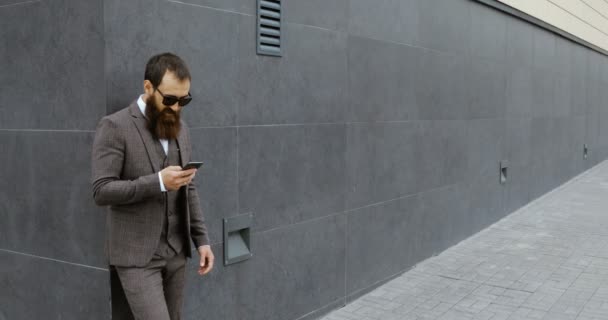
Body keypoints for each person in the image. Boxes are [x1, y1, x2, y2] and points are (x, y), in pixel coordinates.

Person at [91, 52, 214, 320]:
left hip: (176, 252)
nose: (176, 107)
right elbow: (101, 190)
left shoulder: (182, 129)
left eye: (184, 100)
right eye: (169, 99)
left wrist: (201, 240)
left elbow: (188, 187)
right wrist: (158, 182)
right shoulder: (115, 126)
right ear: (148, 87)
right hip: (136, 256)